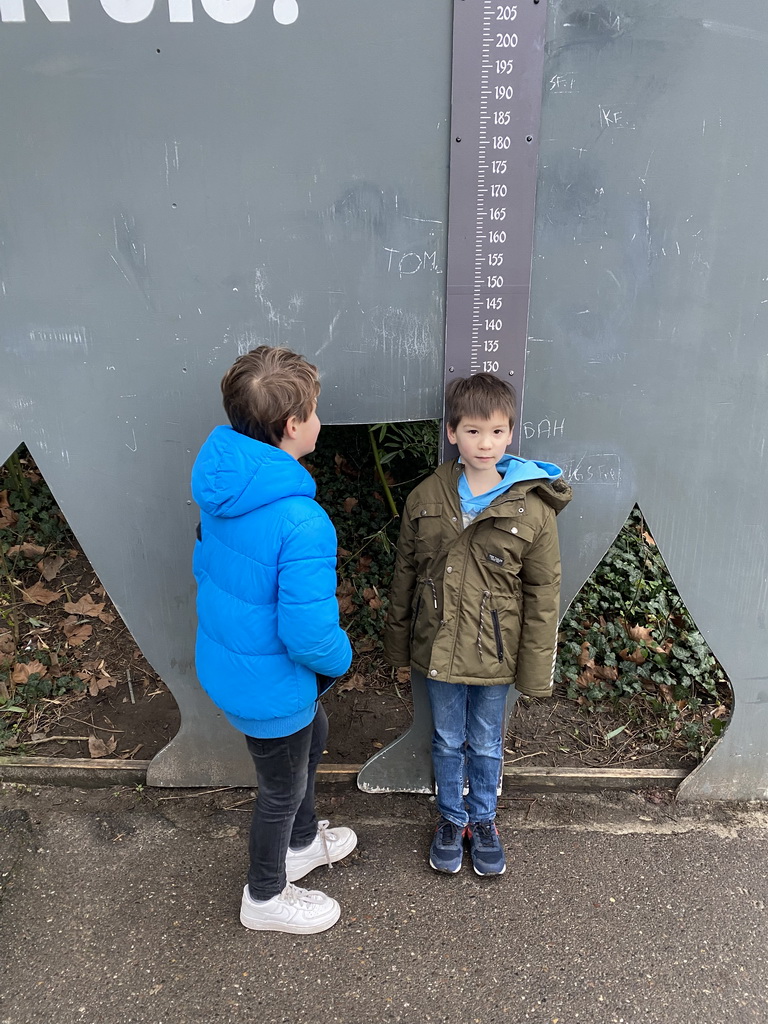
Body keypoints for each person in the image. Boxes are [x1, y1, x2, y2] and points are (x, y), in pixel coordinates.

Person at [191, 345, 356, 934]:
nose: (318, 421)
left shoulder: (225, 486)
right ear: (292, 427)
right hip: (269, 680)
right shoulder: (300, 519)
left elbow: (206, 565)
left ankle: (304, 843)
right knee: (280, 788)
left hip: (234, 662)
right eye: (314, 412)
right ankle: (264, 897)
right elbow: (309, 634)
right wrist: (342, 660)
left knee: (314, 738)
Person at [384, 373, 572, 876]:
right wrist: (398, 649)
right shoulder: (426, 497)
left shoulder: (533, 507)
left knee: (486, 740)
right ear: (451, 433)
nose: (483, 443)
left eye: (495, 431)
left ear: (510, 434)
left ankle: (483, 820)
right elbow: (405, 575)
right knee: (446, 738)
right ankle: (451, 818)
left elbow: (543, 593)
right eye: (471, 431)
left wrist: (535, 671)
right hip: (439, 647)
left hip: (495, 651)